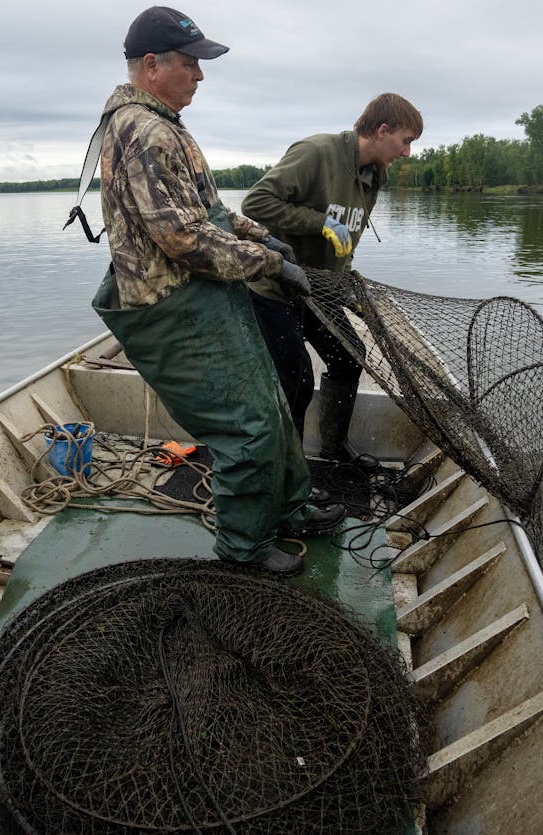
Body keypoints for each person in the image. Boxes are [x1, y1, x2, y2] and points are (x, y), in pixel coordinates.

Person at [89, 7, 343, 577]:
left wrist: (264, 237)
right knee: (245, 424)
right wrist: (270, 266)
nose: (200, 76)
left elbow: (206, 212)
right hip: (172, 307)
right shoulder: (144, 131)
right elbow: (177, 235)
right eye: (190, 64)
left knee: (274, 404)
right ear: (151, 65)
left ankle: (289, 507)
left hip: (208, 294)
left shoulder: (164, 123)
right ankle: (245, 550)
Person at [242, 94, 422, 465]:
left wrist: (345, 285)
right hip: (275, 285)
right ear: (381, 130)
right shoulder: (316, 153)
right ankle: (287, 473)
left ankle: (333, 450)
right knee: (297, 381)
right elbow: (255, 203)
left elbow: (347, 238)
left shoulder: (375, 174)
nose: (406, 151)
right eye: (405, 140)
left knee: (347, 359)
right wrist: (319, 222)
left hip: (319, 288)